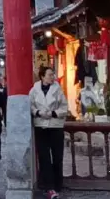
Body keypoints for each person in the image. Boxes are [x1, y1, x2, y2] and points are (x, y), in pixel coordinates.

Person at [30, 66, 68, 199]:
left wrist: (53, 113)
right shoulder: (34, 89)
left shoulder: (58, 89)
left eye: (53, 74)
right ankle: (48, 185)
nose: (52, 77)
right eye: (50, 75)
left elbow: (64, 107)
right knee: (44, 157)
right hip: (41, 126)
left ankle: (58, 184)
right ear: (42, 77)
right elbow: (30, 106)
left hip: (55, 126)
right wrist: (38, 112)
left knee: (57, 156)